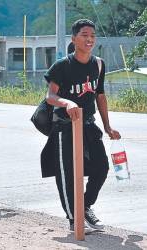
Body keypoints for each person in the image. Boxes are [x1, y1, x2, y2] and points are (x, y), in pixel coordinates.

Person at [41, 19, 121, 230]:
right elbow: (50, 96)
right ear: (74, 39)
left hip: (88, 124)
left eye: (92, 36)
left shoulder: (98, 64)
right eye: (84, 35)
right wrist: (67, 102)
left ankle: (84, 206)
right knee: (67, 173)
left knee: (101, 167)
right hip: (64, 126)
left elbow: (100, 96)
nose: (89, 39)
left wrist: (107, 126)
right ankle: (74, 219)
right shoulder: (62, 66)